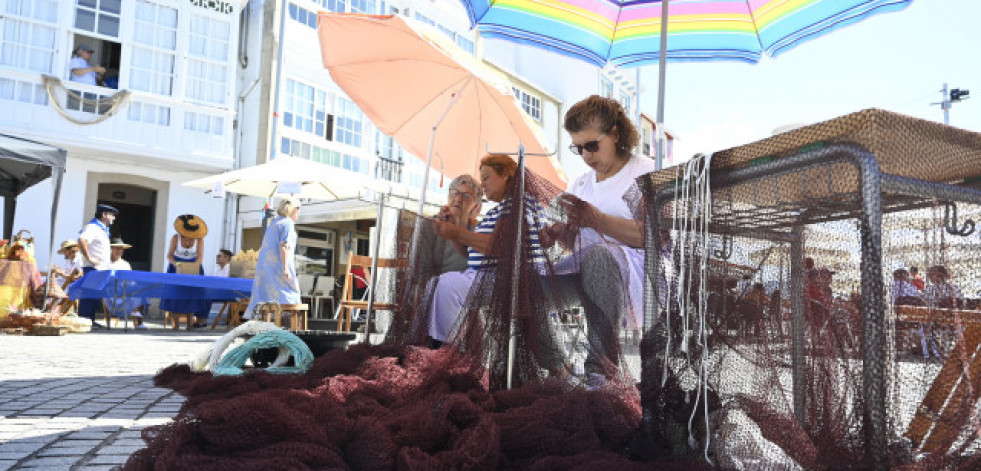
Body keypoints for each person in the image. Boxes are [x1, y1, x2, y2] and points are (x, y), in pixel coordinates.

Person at [545, 95, 657, 379]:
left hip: (638, 278)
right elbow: (578, 245)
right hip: (586, 273)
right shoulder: (580, 184)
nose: (586, 156)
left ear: (616, 133)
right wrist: (559, 235)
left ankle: (600, 372)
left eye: (592, 145)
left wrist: (598, 220)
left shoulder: (644, 171)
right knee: (527, 285)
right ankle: (559, 368)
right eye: (578, 148)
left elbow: (657, 238)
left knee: (599, 257)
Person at [428, 154, 546, 346]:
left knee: (446, 285)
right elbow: (470, 254)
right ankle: (442, 348)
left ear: (505, 175)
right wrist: (453, 231)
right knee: (437, 285)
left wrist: (456, 232)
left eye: (486, 178)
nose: (482, 185)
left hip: (508, 280)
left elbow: (501, 246)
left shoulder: (520, 203)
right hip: (487, 276)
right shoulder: (500, 208)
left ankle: (447, 353)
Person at [245, 197, 302, 319]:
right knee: (291, 296)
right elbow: (284, 246)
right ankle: (289, 327)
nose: (299, 211)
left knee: (266, 298)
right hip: (277, 265)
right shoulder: (287, 223)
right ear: (292, 209)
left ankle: (264, 324)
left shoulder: (275, 222)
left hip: (266, 267)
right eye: (298, 208)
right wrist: (285, 268)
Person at [162, 214, 210, 327]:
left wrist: (193, 267)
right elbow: (169, 255)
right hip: (176, 264)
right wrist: (176, 264)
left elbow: (200, 256)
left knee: (192, 293)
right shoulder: (175, 238)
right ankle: (176, 324)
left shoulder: (199, 240)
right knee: (176, 293)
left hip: (194, 265)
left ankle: (190, 324)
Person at [76, 204, 118, 322]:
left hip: (101, 269)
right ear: (104, 215)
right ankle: (85, 321)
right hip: (93, 268)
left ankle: (90, 321)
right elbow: (82, 240)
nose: (114, 218)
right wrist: (89, 258)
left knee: (95, 297)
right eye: (112, 215)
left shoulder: (102, 229)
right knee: (89, 296)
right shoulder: (93, 227)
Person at [436, 175, 484, 274]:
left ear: (475, 205)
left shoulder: (479, 230)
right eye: (455, 193)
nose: (458, 198)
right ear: (448, 196)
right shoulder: (430, 225)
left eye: (466, 196)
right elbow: (421, 270)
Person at [104, 237, 147, 329]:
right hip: (111, 292)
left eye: (121, 249)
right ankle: (135, 313)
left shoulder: (125, 264)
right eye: (117, 248)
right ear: (111, 249)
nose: (119, 251)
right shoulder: (105, 263)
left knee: (141, 290)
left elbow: (130, 279)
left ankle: (138, 321)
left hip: (126, 290)